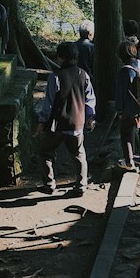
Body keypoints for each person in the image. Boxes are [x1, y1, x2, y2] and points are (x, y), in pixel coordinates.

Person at [37, 42, 95, 196]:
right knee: (79, 154)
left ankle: (49, 184)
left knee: (45, 152)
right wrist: (89, 119)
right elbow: (90, 101)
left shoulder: (54, 77)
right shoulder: (84, 75)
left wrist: (42, 121)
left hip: (57, 124)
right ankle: (81, 185)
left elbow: (48, 103)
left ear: (60, 57)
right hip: (77, 124)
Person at [113, 39, 140, 172]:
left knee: (126, 133)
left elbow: (120, 93)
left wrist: (119, 110)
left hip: (130, 108)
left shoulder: (124, 71)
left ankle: (129, 161)